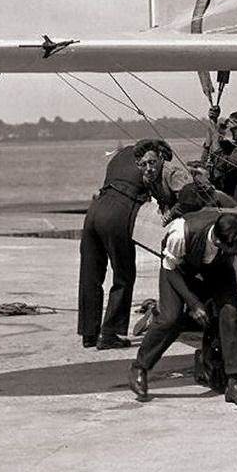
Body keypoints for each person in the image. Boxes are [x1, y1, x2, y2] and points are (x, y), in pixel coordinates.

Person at [128, 210, 237, 407]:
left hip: (217, 271)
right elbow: (169, 267)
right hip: (178, 272)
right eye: (235, 250)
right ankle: (140, 366)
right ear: (220, 242)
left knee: (230, 314)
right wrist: (193, 303)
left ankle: (234, 384)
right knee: (171, 318)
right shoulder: (181, 231)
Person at [77, 142, 152, 350]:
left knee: (90, 275)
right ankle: (109, 334)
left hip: (94, 210)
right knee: (124, 275)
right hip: (117, 213)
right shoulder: (149, 162)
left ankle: (89, 334)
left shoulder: (118, 158)